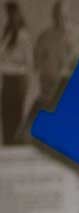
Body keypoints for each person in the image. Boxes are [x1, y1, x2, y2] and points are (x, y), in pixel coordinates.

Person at [0, 1, 32, 145]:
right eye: (7, 14)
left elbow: (28, 63)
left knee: (15, 117)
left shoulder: (23, 36)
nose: (9, 17)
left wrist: (8, 65)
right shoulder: (6, 35)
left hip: (17, 81)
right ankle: (8, 145)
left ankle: (15, 146)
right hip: (6, 80)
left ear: (17, 15)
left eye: (12, 14)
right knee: (6, 115)